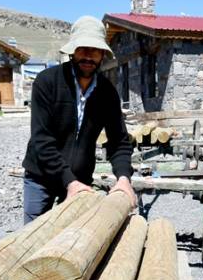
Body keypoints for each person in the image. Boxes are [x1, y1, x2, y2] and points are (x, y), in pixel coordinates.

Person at [21, 16, 135, 223]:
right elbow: (42, 140)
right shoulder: (47, 82)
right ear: (73, 50)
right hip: (41, 177)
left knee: (72, 239)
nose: (88, 56)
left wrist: (124, 178)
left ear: (102, 55)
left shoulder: (107, 93)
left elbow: (119, 141)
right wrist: (68, 181)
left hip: (81, 179)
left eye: (95, 50)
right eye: (83, 48)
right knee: (31, 237)